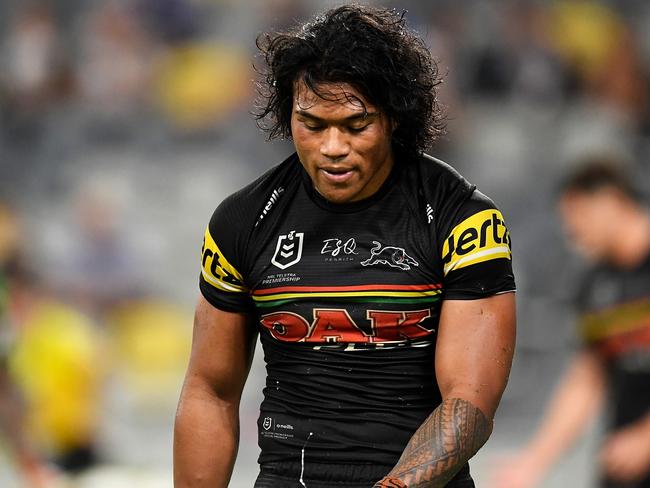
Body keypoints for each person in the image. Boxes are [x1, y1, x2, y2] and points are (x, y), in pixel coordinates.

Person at [173, 5, 516, 487]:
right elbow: (211, 390)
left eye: (356, 125)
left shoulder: (463, 218)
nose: (332, 146)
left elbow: (470, 402)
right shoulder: (242, 221)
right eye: (312, 125)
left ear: (395, 117)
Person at [492, 159, 650, 488]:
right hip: (624, 462)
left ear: (609, 200)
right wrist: (532, 463)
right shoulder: (595, 284)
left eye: (576, 215)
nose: (571, 233)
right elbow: (587, 379)